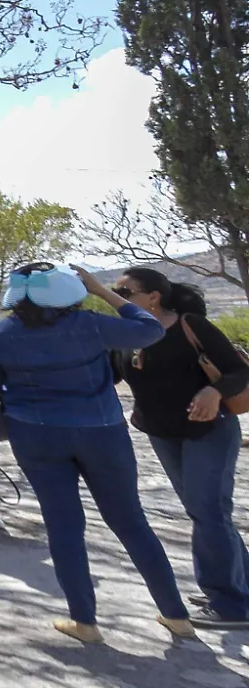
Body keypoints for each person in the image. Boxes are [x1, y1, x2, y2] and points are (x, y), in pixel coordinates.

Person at [0, 262, 190, 643]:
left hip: (36, 436)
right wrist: (104, 292)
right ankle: (176, 616)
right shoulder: (90, 324)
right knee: (130, 522)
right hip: (102, 431)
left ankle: (84, 622)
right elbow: (152, 329)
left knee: (64, 526)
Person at [115, 267, 249, 629]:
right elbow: (108, 375)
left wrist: (214, 390)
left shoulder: (190, 325)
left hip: (210, 430)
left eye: (126, 293)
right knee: (205, 512)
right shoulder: (126, 335)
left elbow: (239, 371)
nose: (118, 299)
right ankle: (237, 589)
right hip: (162, 434)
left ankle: (232, 606)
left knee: (209, 511)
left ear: (153, 297)